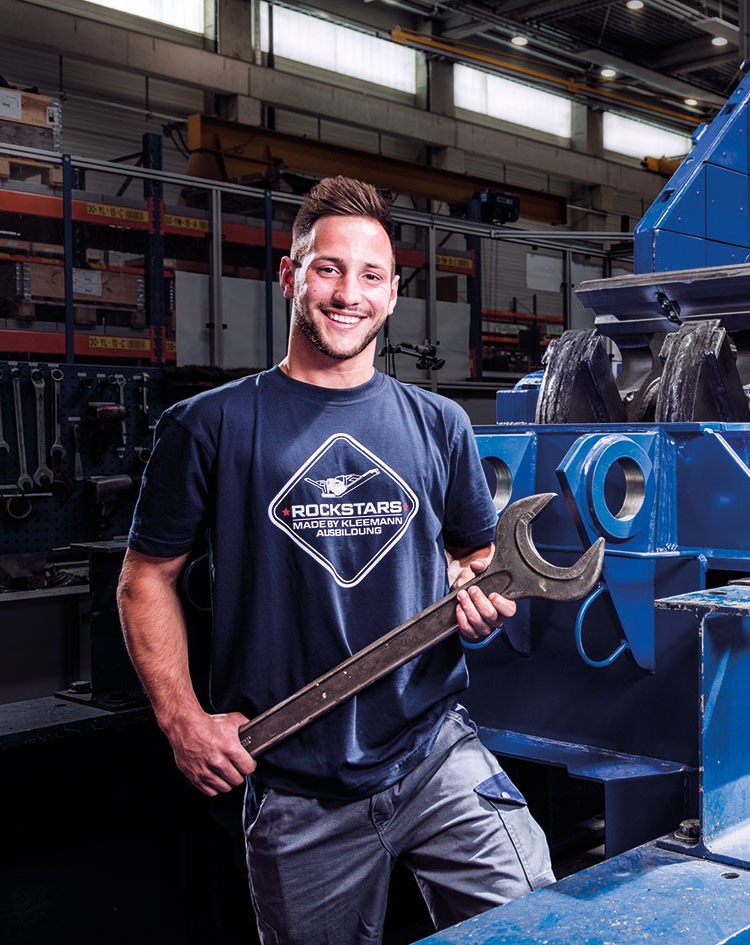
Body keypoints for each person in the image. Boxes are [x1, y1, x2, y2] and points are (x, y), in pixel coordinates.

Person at [117, 176, 553, 943]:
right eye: (328, 268)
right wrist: (182, 719)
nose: (347, 292)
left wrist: (479, 597)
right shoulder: (210, 426)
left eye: (370, 275)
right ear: (290, 276)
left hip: (432, 750)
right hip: (296, 785)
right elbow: (145, 580)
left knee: (537, 927)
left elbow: (476, 557)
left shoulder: (440, 424)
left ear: (391, 297)